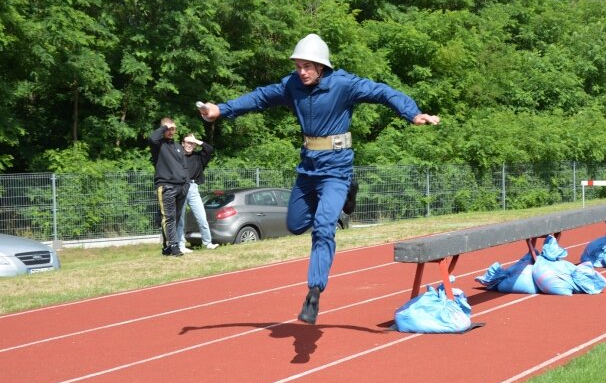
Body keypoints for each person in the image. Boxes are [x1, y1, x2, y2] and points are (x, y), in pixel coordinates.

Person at [197, 33, 440, 324]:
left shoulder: (344, 84)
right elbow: (259, 97)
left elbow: (383, 92)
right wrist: (220, 110)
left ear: (322, 66)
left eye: (307, 67)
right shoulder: (291, 86)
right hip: (307, 168)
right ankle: (349, 191)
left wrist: (411, 113)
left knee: (324, 227)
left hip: (337, 167)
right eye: (298, 66)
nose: (302, 72)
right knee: (296, 224)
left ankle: (314, 291)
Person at [148, 117, 189, 257]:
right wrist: (164, 127)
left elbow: (184, 166)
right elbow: (152, 138)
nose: (171, 132)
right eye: (169, 129)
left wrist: (186, 184)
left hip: (181, 187)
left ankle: (167, 247)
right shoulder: (158, 145)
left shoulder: (178, 146)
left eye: (173, 129)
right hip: (166, 186)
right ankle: (173, 246)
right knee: (168, 218)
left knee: (175, 218)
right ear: (163, 129)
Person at [176, 133, 219, 252]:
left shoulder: (199, 157)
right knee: (180, 219)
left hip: (194, 189)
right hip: (181, 188)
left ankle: (208, 243)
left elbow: (209, 149)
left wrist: (197, 140)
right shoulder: (177, 157)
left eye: (192, 143)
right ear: (182, 144)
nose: (190, 145)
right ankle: (180, 246)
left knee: (202, 218)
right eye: (187, 142)